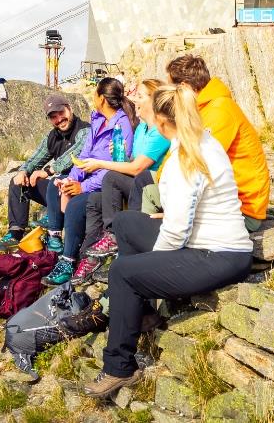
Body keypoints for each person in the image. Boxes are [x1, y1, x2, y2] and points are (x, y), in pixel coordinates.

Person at [84, 84, 255, 400]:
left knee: (124, 273)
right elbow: (190, 209)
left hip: (218, 254)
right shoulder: (204, 141)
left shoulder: (184, 158)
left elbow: (176, 233)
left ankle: (120, 367)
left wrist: (149, 269)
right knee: (126, 222)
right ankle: (143, 313)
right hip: (206, 243)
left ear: (163, 124)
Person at [50, 79, 172, 285]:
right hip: (123, 180)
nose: (135, 100)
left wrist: (94, 172)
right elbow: (116, 160)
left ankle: (111, 238)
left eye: (140, 96)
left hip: (148, 186)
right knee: (88, 198)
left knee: (103, 185)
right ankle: (86, 257)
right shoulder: (140, 129)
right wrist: (72, 179)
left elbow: (136, 168)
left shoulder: (156, 131)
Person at [163, 55, 270, 233]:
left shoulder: (219, 110)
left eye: (171, 88)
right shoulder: (205, 108)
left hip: (243, 210)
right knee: (146, 185)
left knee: (155, 196)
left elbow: (197, 162)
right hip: (226, 199)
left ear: (184, 87)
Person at [45, 78, 136, 284]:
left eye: (95, 94)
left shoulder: (121, 126)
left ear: (102, 98)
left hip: (107, 184)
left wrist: (82, 186)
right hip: (88, 178)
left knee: (77, 203)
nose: (92, 97)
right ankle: (55, 243)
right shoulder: (97, 119)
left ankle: (68, 261)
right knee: (55, 184)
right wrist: (71, 179)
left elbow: (116, 169)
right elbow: (83, 155)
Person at [0, 95, 85, 252]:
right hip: (56, 190)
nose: (59, 119)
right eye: (53, 117)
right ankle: (15, 234)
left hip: (77, 190)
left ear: (69, 108)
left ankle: (55, 230)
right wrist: (23, 171)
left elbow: (76, 152)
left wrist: (48, 170)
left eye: (61, 113)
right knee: (17, 182)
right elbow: (35, 158)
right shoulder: (52, 136)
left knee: (56, 181)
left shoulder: (84, 130)